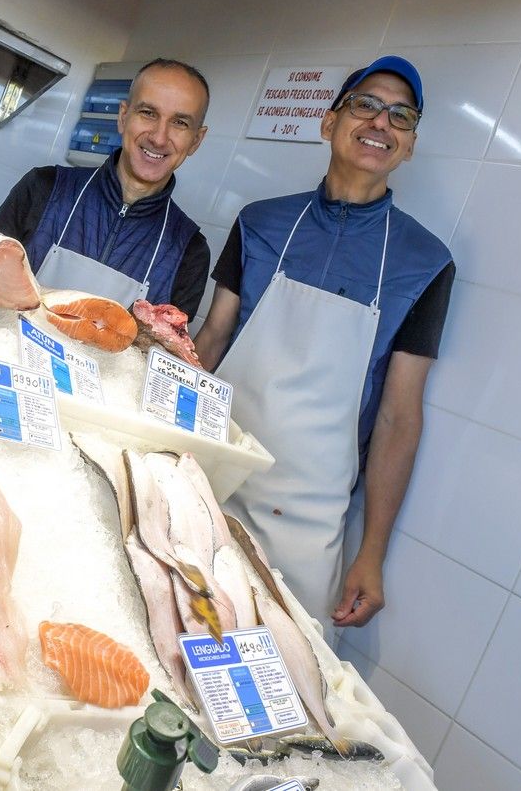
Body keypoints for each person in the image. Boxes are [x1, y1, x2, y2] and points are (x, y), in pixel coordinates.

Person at [194, 56, 455, 636]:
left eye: (401, 116)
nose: (381, 123)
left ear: (409, 146)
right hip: (205, 474)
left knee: (274, 685)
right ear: (329, 123)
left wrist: (372, 553)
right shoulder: (260, 222)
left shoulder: (425, 262)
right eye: (365, 105)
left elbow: (397, 416)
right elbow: (210, 338)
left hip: (307, 522)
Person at [0, 58, 212, 316]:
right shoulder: (44, 188)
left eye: (180, 123)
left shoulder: (189, 252)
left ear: (196, 140)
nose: (159, 137)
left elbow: (161, 351)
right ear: (123, 117)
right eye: (148, 113)